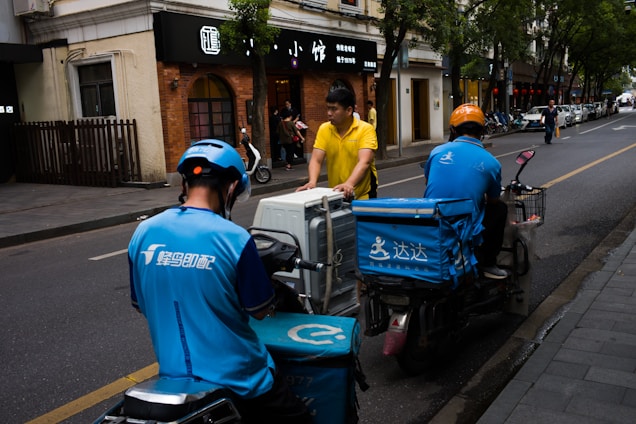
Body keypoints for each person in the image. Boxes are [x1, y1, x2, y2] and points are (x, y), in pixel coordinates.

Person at [128, 140, 311, 423]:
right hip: (242, 380)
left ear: (183, 185)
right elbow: (260, 310)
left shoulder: (143, 233)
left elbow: (141, 304)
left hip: (173, 377)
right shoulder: (235, 238)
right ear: (231, 188)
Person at [423, 103, 508, 280]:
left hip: (431, 220)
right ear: (482, 131)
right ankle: (487, 262)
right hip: (464, 226)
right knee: (500, 209)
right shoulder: (491, 163)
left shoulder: (437, 152)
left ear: (453, 130)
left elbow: (428, 182)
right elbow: (492, 200)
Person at [296, 87, 378, 201]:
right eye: (328, 108)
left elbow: (364, 161)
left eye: (334, 109)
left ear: (349, 111)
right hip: (336, 194)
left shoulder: (365, 129)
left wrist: (349, 183)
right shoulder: (324, 129)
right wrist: (312, 182)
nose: (329, 113)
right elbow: (316, 159)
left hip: (363, 195)